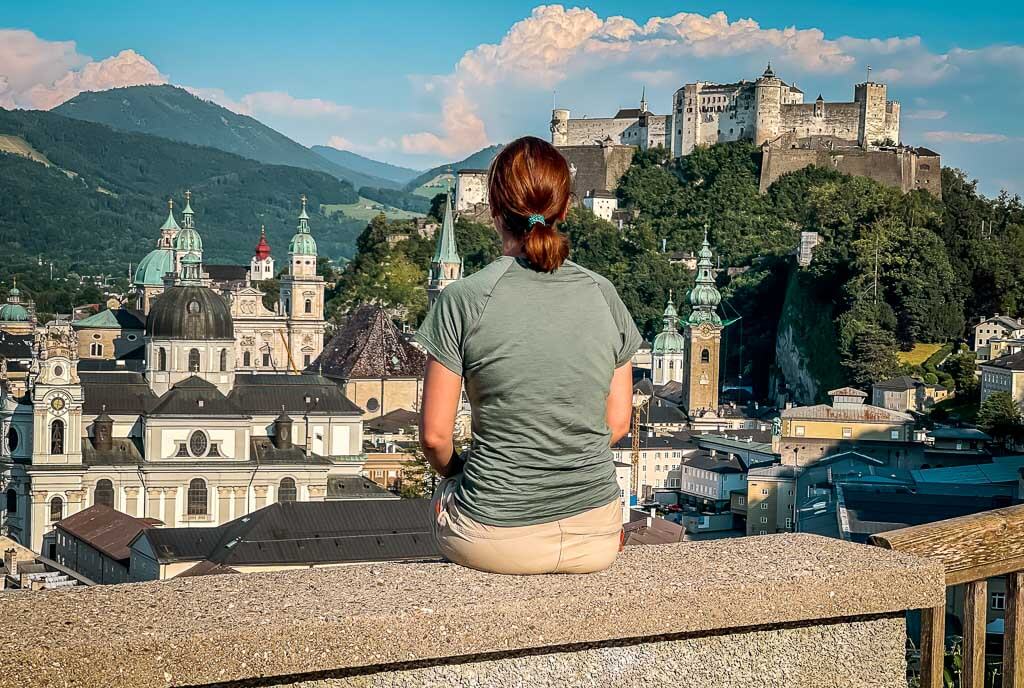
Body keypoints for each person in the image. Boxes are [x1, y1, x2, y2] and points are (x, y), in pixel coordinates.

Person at [415, 136, 642, 575]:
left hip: (494, 539)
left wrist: (462, 474)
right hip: (596, 535)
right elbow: (617, 424)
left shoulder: (463, 299)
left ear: (494, 212)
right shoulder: (604, 294)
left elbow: (435, 438)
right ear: (566, 210)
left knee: (447, 496)